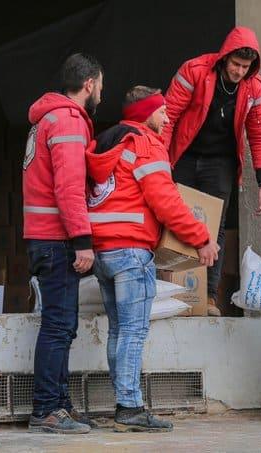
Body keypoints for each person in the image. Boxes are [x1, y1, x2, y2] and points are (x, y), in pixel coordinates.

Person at [86, 86, 219, 432]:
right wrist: (201, 237)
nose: (167, 117)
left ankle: (124, 402)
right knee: (133, 330)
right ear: (146, 113)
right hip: (131, 251)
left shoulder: (105, 144)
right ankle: (129, 407)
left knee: (119, 329)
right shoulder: (146, 145)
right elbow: (167, 202)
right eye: (162, 111)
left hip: (102, 251)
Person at [164, 26, 261, 316]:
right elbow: (169, 116)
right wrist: (161, 161)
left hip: (221, 162)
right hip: (185, 156)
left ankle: (209, 296)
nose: (239, 71)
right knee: (176, 220)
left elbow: (260, 135)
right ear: (224, 57)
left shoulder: (254, 87)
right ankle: (170, 293)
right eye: (235, 64)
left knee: (215, 228)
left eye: (245, 67)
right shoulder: (194, 70)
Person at [24, 53, 103, 434]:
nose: (101, 90)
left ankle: (60, 405)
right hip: (56, 239)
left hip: (42, 237)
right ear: (89, 84)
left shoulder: (45, 119)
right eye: (100, 83)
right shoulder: (69, 120)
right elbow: (69, 187)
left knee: (62, 324)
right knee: (58, 325)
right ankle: (46, 409)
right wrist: (83, 241)